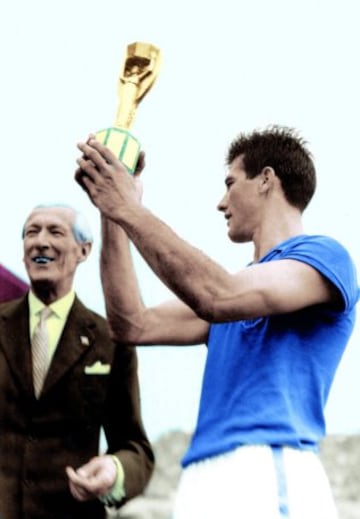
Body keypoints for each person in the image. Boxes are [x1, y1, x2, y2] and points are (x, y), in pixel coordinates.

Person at [75, 126, 359, 519]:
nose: (221, 203)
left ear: (266, 180)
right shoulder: (236, 292)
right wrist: (112, 212)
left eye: (230, 183)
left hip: (266, 464)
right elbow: (131, 324)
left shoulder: (325, 258)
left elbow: (218, 296)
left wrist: (130, 209)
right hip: (201, 475)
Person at [0, 204, 154, 519]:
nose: (40, 241)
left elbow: (135, 447)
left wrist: (114, 470)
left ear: (83, 251)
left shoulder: (111, 340)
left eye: (55, 232)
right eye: (32, 232)